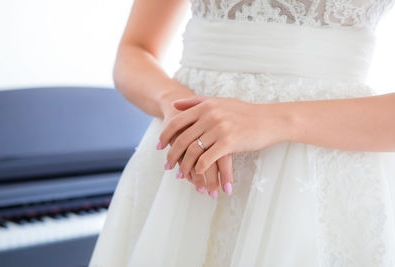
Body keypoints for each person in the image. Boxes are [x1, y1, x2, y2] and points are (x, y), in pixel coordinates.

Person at [89, 0, 395, 266]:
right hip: (189, 165)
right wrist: (180, 110)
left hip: (314, 177)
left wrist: (273, 120)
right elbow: (134, 50)